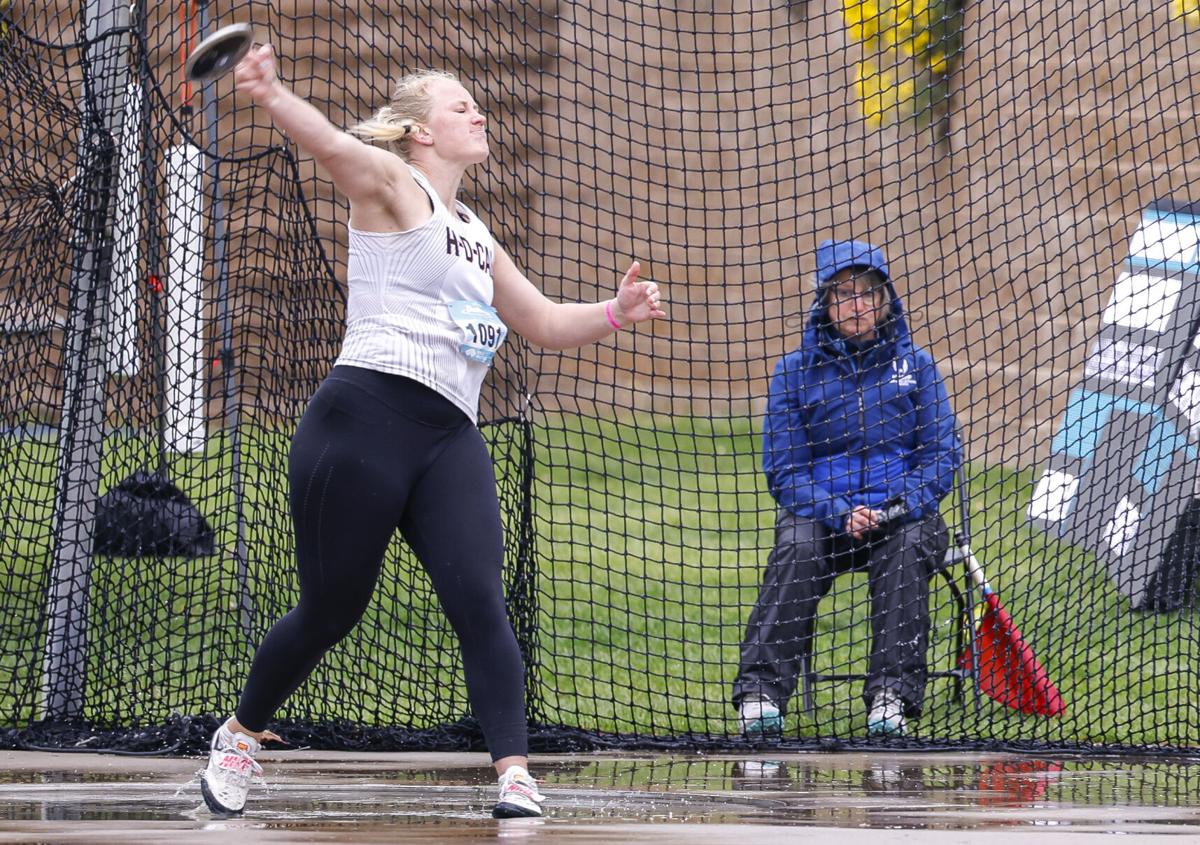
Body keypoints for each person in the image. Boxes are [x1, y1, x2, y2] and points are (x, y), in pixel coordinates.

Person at [199, 46, 666, 819]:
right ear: (420, 131)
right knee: (332, 611)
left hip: (448, 436)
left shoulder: (476, 233)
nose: (478, 114)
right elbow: (331, 145)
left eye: (476, 105)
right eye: (460, 107)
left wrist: (615, 312)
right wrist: (273, 94)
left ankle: (514, 773)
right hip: (362, 421)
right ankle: (241, 733)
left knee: (481, 600)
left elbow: (544, 321)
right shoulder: (394, 187)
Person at [732, 238, 959, 738]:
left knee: (908, 547)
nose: (857, 305)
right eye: (844, 294)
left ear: (885, 300)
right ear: (825, 302)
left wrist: (895, 508)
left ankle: (891, 698)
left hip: (900, 518)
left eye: (868, 293)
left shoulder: (918, 367)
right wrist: (839, 512)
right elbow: (785, 472)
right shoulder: (794, 372)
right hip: (823, 520)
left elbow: (942, 457)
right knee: (796, 547)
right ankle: (760, 696)